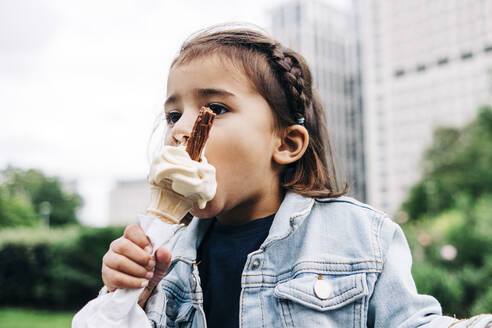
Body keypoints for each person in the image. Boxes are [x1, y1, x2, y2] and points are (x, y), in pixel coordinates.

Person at [99, 26, 492, 327]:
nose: (181, 129)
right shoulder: (167, 259)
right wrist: (126, 300)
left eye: (214, 108)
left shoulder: (360, 236)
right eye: (172, 115)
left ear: (287, 144)